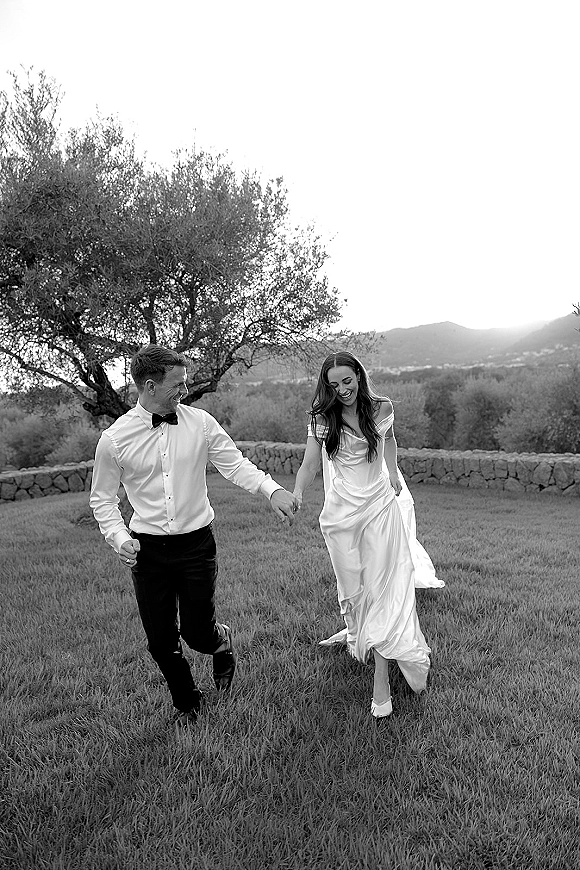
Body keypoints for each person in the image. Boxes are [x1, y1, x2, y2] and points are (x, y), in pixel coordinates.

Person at [90, 345, 298, 727]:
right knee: (160, 640)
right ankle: (187, 701)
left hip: (197, 544)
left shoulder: (201, 423)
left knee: (198, 633)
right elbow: (102, 500)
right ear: (150, 386)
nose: (184, 391)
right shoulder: (114, 440)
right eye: (178, 385)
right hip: (147, 551)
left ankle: (221, 642)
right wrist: (120, 539)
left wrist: (273, 490)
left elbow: (235, 464)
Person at [293, 351, 444, 718]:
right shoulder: (321, 417)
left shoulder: (381, 407)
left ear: (359, 376)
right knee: (354, 588)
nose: (342, 390)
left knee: (383, 587)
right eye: (333, 385)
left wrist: (392, 472)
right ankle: (354, 633)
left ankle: (381, 683)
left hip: (379, 508)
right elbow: (310, 463)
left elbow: (389, 440)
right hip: (341, 515)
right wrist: (296, 494)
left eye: (347, 381)